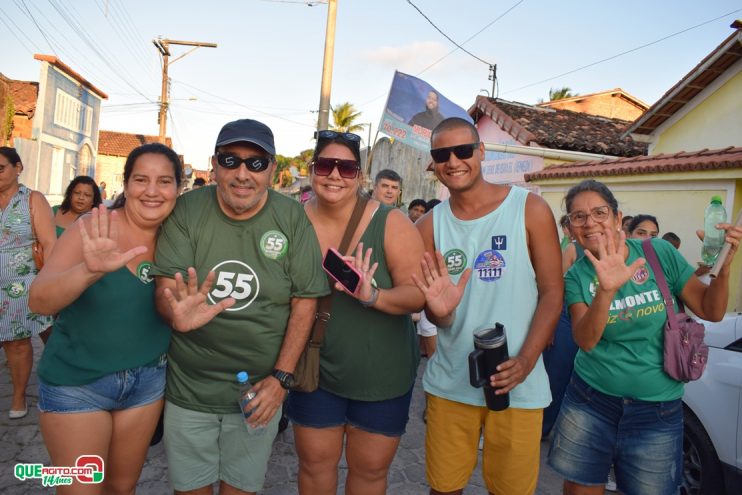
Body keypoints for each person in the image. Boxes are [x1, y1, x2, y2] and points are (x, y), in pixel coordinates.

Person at [152, 118, 328, 495]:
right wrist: (175, 313)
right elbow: (166, 288)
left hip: (260, 392)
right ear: (214, 165)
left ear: (273, 170)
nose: (242, 173)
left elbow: (305, 301)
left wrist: (281, 380)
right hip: (189, 391)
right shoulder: (187, 210)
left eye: (256, 163)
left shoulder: (291, 217)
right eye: (230, 161)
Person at [547, 179, 741, 495]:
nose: (591, 222)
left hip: (657, 410)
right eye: (578, 217)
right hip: (590, 403)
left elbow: (710, 309)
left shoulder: (658, 253)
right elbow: (585, 339)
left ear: (617, 217)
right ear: (570, 228)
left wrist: (726, 265)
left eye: (599, 212)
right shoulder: (576, 276)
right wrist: (606, 291)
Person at [413, 118, 563, 495]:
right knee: (444, 488)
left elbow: (552, 293)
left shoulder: (529, 209)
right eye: (441, 154)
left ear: (481, 152)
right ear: (433, 163)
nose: (453, 161)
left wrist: (526, 361)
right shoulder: (428, 226)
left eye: (463, 150)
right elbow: (437, 315)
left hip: (519, 384)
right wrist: (439, 311)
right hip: (450, 384)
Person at [29, 143, 182, 494]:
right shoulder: (93, 226)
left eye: (165, 181)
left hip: (146, 383)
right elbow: (38, 301)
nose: (152, 191)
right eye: (141, 179)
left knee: (121, 488)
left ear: (178, 187)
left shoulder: (179, 237)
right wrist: (89, 271)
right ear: (125, 185)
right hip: (77, 384)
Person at [286, 129, 424, 495]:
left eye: (346, 168)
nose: (334, 175)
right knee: (314, 466)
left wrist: (372, 295)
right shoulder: (292, 221)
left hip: (382, 374)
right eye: (326, 165)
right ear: (312, 169)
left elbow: (416, 296)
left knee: (369, 471)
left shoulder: (391, 222)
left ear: (360, 177)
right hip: (315, 370)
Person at [0, 147, 56, 419]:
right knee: (12, 342)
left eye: (1, 168)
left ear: (18, 168)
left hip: (26, 284)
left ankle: (20, 395)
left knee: (24, 340)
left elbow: (49, 243)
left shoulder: (32, 200)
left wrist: (51, 281)